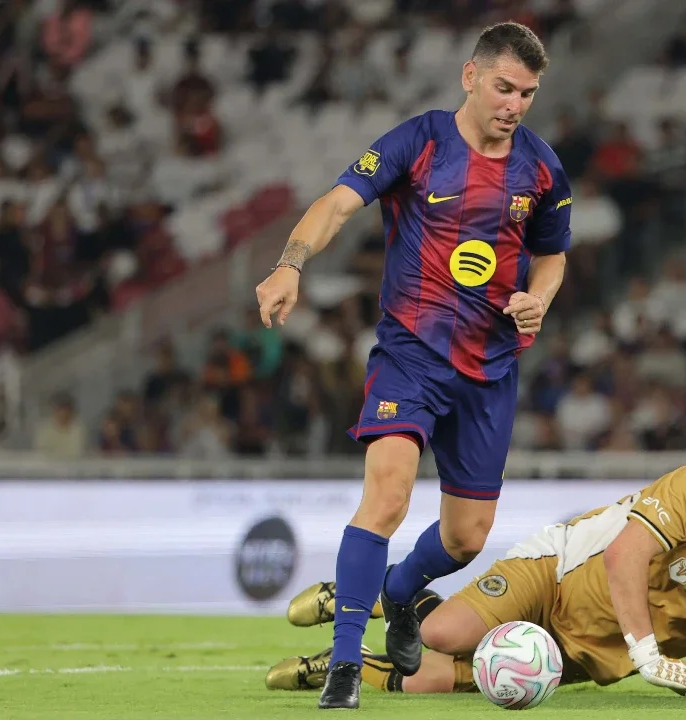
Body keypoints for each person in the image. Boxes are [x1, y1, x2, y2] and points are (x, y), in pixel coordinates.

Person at [253, 22, 572, 709]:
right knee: (389, 494)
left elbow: (553, 252)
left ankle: (400, 594)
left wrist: (537, 299)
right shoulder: (419, 142)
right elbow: (338, 203)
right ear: (470, 76)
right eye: (503, 86)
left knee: (467, 537)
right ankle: (343, 668)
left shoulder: (541, 167)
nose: (514, 104)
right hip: (410, 355)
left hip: (490, 369)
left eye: (527, 93)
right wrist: (289, 264)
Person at [266, 441, 686, 700]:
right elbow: (625, 554)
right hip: (560, 571)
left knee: (432, 679)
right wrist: (649, 657)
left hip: (588, 652)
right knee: (443, 634)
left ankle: (334, 668)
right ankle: (363, 592)